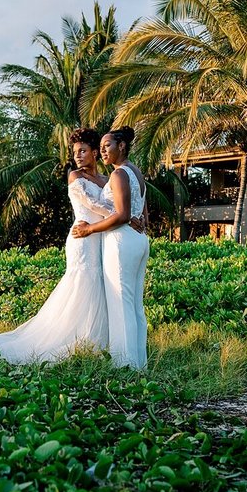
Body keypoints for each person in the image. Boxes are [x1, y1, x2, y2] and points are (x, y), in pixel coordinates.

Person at [0, 128, 142, 363]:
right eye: (75, 152)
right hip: (83, 238)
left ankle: (96, 342)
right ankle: (66, 339)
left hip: (104, 239)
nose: (78, 156)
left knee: (101, 289)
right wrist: (125, 214)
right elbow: (93, 205)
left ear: (95, 154)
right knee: (82, 286)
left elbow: (120, 201)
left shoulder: (106, 178)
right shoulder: (75, 177)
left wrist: (126, 213)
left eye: (83, 151)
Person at [71, 126, 150, 370]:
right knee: (135, 304)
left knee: (121, 302)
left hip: (121, 241)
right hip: (140, 240)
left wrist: (89, 230)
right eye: (102, 147)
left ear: (122, 147)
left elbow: (122, 215)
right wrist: (141, 220)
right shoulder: (135, 171)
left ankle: (125, 364)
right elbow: (141, 211)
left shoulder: (117, 175)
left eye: (108, 146)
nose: (104, 151)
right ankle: (139, 363)